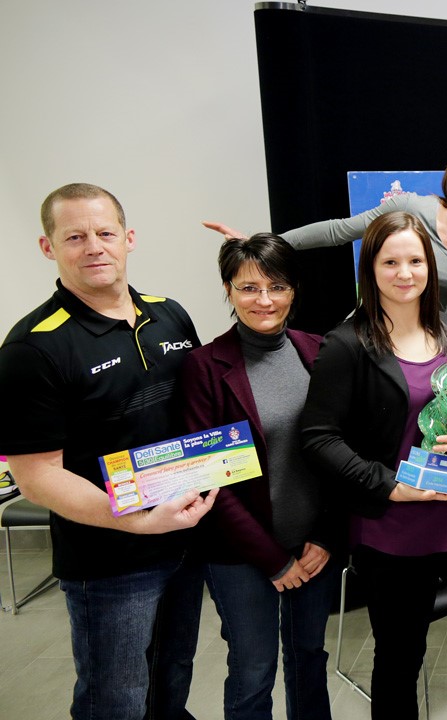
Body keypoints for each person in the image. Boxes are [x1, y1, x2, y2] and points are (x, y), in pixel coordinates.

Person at [0, 183, 216, 719]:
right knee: (114, 702)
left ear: (128, 238)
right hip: (111, 562)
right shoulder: (33, 347)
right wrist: (137, 522)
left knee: (172, 681)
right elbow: (36, 477)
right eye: (75, 236)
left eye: (104, 232)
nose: (93, 246)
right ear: (49, 247)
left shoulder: (171, 315)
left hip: (185, 543)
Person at [299, 211, 447, 719]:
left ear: (430, 266)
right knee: (401, 657)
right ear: (370, 269)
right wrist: (388, 486)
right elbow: (318, 438)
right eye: (390, 261)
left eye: (415, 260)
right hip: (391, 529)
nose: (405, 272)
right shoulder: (347, 343)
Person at [180, 234, 338, 720]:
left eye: (277, 286)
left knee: (309, 658)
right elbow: (210, 479)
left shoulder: (320, 350)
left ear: (293, 290)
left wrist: (325, 535)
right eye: (249, 288)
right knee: (253, 669)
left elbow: (340, 452)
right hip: (240, 554)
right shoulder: (205, 367)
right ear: (228, 290)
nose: (265, 300)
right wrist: (272, 560)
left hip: (314, 547)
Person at [203, 135, 447, 309]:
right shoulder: (410, 207)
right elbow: (339, 230)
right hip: (375, 332)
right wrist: (262, 244)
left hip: (430, 344)